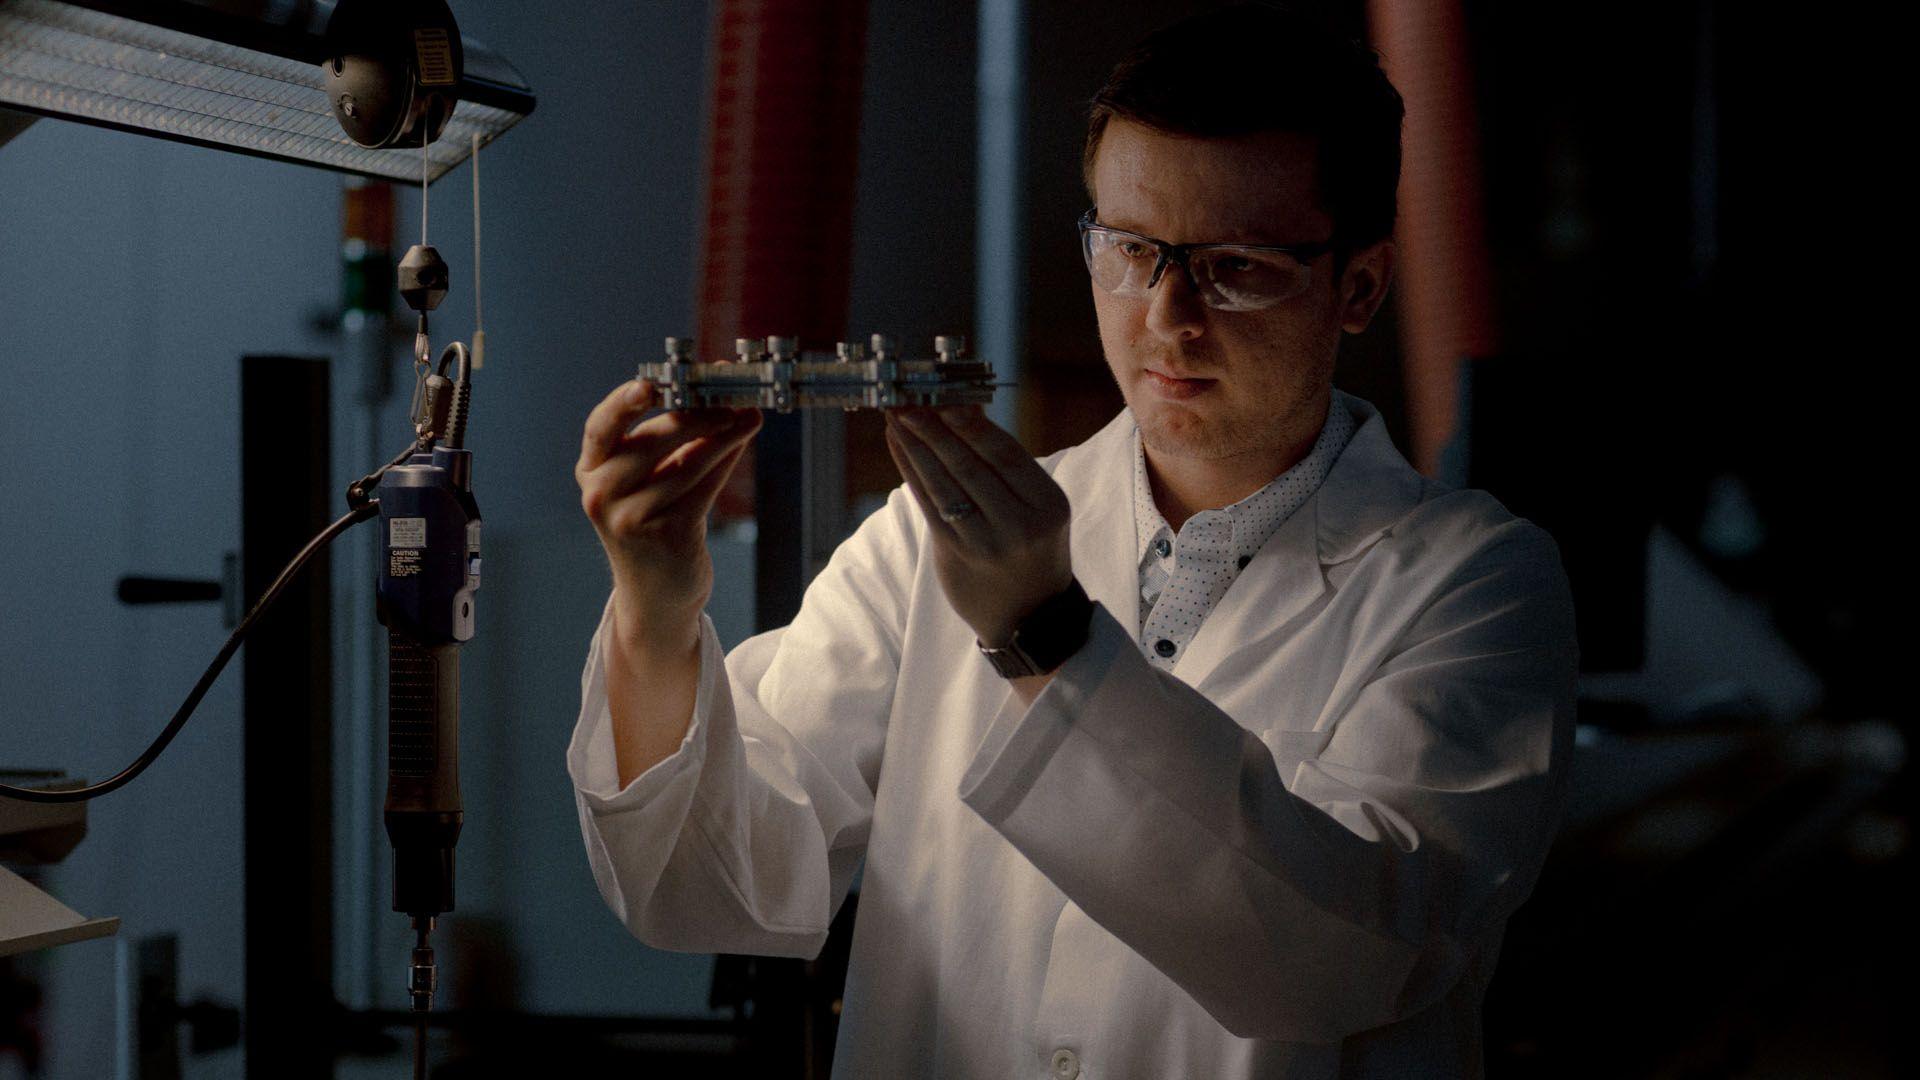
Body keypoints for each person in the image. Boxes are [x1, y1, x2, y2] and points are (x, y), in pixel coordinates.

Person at [568, 5, 1576, 1077]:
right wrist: (657, 611)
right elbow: (707, 887)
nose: (1166, 317)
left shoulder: (1476, 585)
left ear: (1360, 286)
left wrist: (1046, 633)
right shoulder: (926, 546)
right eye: (1132, 249)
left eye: (1235, 264)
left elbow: (1344, 961)